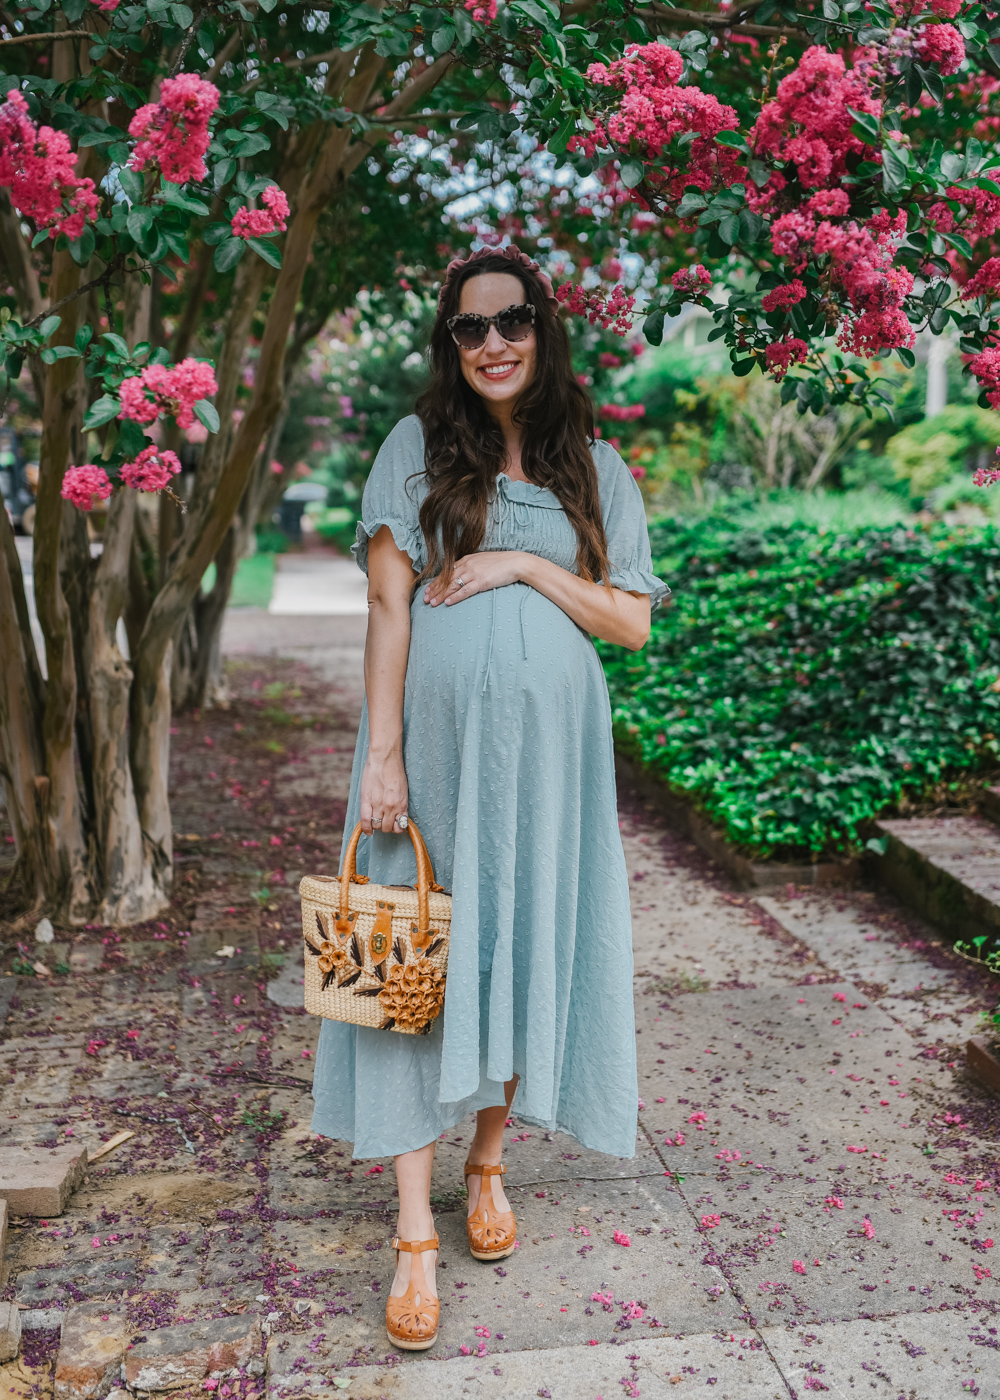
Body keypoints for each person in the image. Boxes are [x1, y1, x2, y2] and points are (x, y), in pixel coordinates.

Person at [309, 244, 668, 1351]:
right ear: (449, 344)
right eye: (470, 327)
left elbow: (629, 620)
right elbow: (386, 610)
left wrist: (521, 568)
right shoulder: (414, 449)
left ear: (542, 329)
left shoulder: (593, 466)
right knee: (410, 962)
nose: (493, 342)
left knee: (516, 944)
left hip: (553, 765)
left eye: (511, 320)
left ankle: (488, 1160)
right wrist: (382, 755)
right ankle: (416, 1227)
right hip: (438, 754)